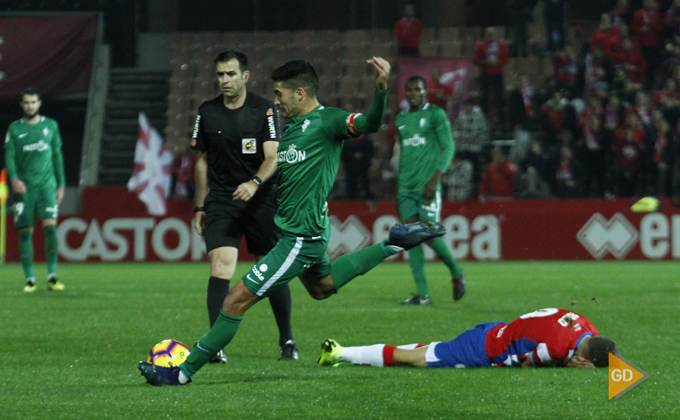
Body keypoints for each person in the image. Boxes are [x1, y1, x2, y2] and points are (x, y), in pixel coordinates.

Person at [139, 57, 447, 386]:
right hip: (303, 231)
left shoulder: (328, 121)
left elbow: (370, 123)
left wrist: (382, 89)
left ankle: (181, 374)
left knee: (235, 300)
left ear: (299, 93)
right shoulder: (291, 131)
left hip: (300, 238)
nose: (275, 100)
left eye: (279, 94)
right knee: (322, 287)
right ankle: (393, 243)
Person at [190, 50, 298, 362]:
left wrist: (255, 183)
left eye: (230, 74)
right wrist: (199, 207)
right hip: (222, 200)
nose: (224, 80)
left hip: (260, 198)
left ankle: (287, 340)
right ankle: (214, 347)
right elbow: (202, 162)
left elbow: (273, 156)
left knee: (269, 270)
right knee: (220, 266)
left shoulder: (263, 109)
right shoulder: (207, 112)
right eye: (220, 74)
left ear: (245, 76)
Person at [318, 308, 617, 369]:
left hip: (497, 329)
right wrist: (567, 366)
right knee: (416, 360)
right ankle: (339, 352)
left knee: (430, 350)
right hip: (483, 348)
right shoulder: (554, 349)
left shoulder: (587, 324)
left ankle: (346, 353)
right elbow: (528, 366)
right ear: (584, 359)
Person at [395, 75, 465, 305]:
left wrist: (435, 179)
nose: (413, 93)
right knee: (411, 238)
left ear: (425, 92)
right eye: (410, 89)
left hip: (427, 185)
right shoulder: (400, 120)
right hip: (405, 187)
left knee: (426, 233)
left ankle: (456, 271)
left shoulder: (436, 114)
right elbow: (404, 152)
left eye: (418, 89)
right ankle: (423, 295)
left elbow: (449, 147)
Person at [4, 88, 66, 292]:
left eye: (33, 102)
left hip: (47, 187)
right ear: (21, 105)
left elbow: (57, 155)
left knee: (50, 227)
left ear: (39, 104)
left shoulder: (50, 126)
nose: (30, 106)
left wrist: (61, 184)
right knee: (25, 233)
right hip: (25, 188)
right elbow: (10, 157)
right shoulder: (14, 129)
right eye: (26, 103)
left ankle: (52, 276)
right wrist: (13, 179)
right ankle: (30, 279)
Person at [473, 28, 509, 127]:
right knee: (484, 97)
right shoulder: (481, 45)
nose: (491, 35)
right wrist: (485, 63)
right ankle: (484, 120)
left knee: (500, 97)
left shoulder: (501, 45)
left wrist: (498, 62)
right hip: (485, 74)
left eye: (492, 34)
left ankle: (502, 121)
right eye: (489, 34)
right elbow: (476, 60)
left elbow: (505, 59)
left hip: (497, 73)